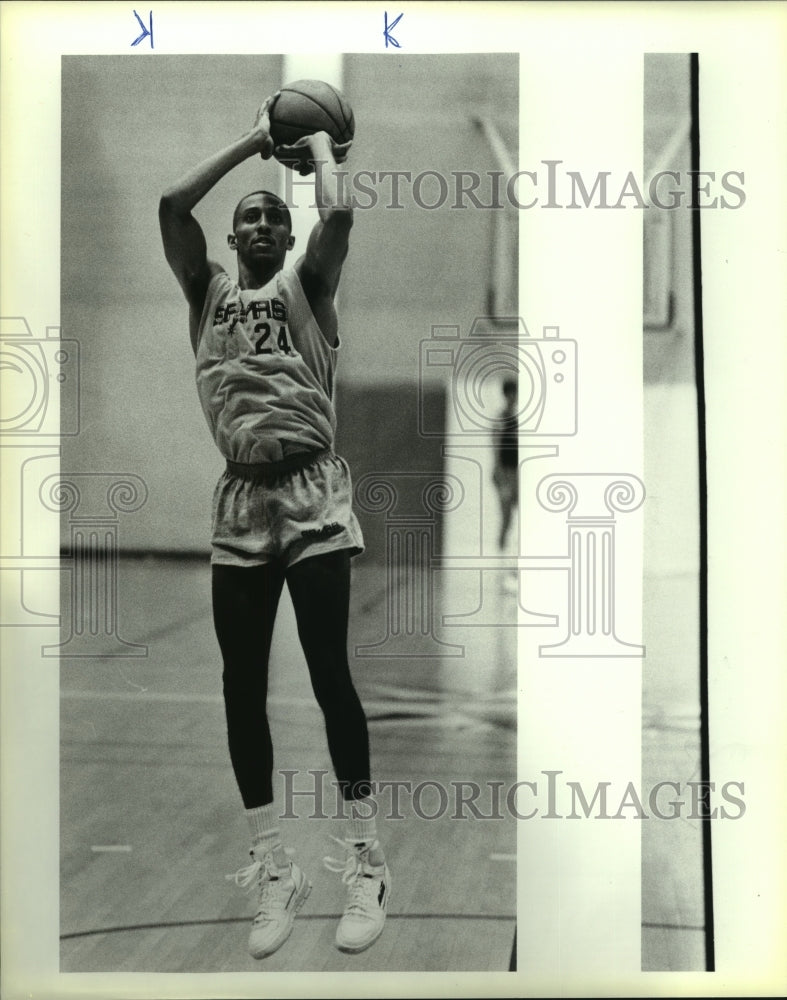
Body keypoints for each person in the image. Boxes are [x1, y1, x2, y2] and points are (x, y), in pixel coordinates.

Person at [158, 94, 390, 960]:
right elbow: (170, 206)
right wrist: (255, 142)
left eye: (269, 216)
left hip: (310, 492)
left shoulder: (309, 284)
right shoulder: (205, 292)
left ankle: (366, 859)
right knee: (238, 686)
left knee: (330, 673)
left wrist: (322, 145)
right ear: (232, 239)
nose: (257, 221)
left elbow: (339, 208)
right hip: (240, 499)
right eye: (246, 216)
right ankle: (272, 866)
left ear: (285, 240)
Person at [492, 376, 519, 553]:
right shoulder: (501, 419)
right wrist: (499, 471)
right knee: (506, 518)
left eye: (514, 394)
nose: (513, 398)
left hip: (516, 472)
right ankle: (499, 557)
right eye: (510, 394)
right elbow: (495, 445)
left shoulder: (518, 419)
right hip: (504, 472)